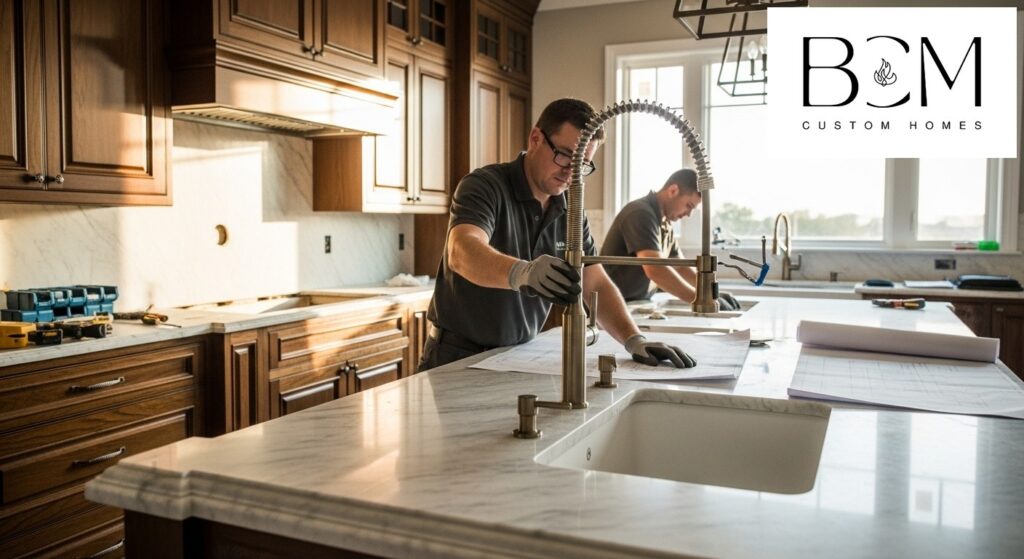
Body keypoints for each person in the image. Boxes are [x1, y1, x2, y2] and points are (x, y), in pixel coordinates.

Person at [420, 98, 696, 372]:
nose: (571, 173)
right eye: (565, 155)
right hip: (457, 355)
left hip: (516, 356)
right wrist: (522, 273)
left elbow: (594, 281)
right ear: (536, 138)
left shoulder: (570, 211)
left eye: (582, 165)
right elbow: (462, 251)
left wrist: (634, 340)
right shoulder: (485, 186)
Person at [601, 169, 741, 310]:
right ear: (673, 190)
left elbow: (680, 266)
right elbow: (655, 269)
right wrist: (700, 300)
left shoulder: (664, 223)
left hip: (634, 304)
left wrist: (712, 293)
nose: (689, 214)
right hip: (611, 307)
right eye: (689, 206)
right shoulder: (640, 213)